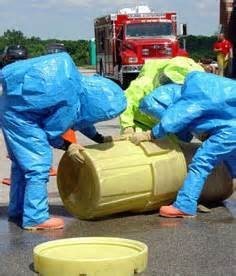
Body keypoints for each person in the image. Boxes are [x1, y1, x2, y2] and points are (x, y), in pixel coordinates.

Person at [0, 53, 126, 230]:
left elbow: (81, 118)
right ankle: (35, 217)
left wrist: (99, 138)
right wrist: (69, 146)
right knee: (38, 166)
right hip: (23, 119)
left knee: (21, 165)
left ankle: (17, 209)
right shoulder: (70, 103)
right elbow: (52, 133)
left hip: (12, 108)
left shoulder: (79, 86)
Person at [130, 71, 236, 218]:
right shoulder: (216, 87)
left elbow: (175, 119)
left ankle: (184, 205)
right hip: (231, 127)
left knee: (202, 161)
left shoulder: (194, 94)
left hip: (231, 131)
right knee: (231, 163)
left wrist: (150, 134)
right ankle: (226, 181)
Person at [120, 57, 204, 134]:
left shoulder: (188, 94)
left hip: (165, 130)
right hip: (138, 126)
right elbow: (127, 103)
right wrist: (127, 126)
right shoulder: (143, 85)